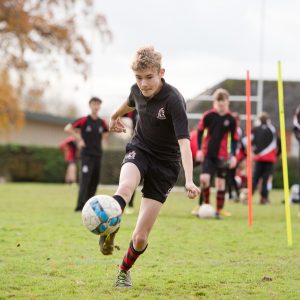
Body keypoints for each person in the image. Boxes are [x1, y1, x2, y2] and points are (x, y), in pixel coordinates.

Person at [99, 46, 199, 288]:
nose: (143, 84)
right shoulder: (137, 90)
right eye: (138, 78)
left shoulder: (174, 101)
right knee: (125, 187)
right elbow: (128, 104)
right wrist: (113, 117)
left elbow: (184, 144)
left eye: (149, 77)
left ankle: (124, 271)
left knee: (141, 237)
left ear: (161, 72)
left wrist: (189, 179)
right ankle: (110, 226)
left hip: (166, 165)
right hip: (140, 149)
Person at [192, 88, 239, 218]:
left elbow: (235, 139)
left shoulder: (231, 119)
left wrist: (233, 155)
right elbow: (200, 132)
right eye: (218, 104)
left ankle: (220, 209)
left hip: (222, 156)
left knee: (220, 183)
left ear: (227, 103)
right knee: (204, 179)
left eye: (223, 104)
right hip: (208, 154)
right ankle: (204, 205)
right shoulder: (208, 116)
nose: (221, 107)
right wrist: (200, 149)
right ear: (214, 103)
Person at [64, 97, 109, 211]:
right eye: (94, 104)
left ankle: (89, 207)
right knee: (85, 181)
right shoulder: (84, 120)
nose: (96, 106)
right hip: (86, 155)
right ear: (90, 105)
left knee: (94, 181)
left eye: (98, 104)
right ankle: (79, 207)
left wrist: (102, 140)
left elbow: (106, 132)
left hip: (98, 155)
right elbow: (68, 128)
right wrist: (79, 139)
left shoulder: (102, 122)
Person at [251, 112, 281, 204]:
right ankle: (264, 198)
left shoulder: (255, 129)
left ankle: (249, 197)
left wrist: (254, 153)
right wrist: (276, 155)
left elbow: (250, 142)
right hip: (270, 159)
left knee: (255, 178)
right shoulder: (272, 129)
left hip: (259, 158)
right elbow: (279, 144)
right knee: (265, 179)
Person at [122, 110, 138, 214]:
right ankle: (128, 204)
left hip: (152, 146)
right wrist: (127, 128)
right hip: (136, 145)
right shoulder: (132, 111)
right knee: (132, 177)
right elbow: (118, 114)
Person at [225, 112, 243, 202]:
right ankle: (232, 194)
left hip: (233, 156)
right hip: (228, 155)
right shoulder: (231, 129)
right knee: (228, 176)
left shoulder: (237, 130)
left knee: (230, 176)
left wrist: (234, 156)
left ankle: (235, 194)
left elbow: (237, 144)